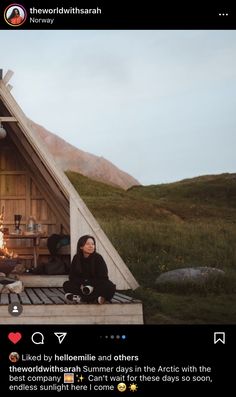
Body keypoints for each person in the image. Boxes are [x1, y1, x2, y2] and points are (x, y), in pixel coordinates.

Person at [63, 235, 116, 304]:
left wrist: (89, 284)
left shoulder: (98, 258)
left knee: (110, 286)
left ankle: (81, 298)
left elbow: (104, 278)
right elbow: (72, 277)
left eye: (93, 244)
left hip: (95, 286)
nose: (91, 246)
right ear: (81, 247)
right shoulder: (76, 258)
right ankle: (95, 299)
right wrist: (82, 284)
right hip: (82, 287)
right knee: (67, 284)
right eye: (87, 244)